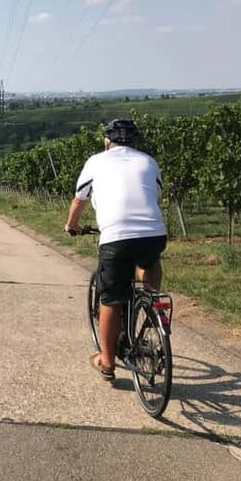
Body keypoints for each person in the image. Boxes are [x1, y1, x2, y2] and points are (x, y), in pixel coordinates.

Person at [64, 119, 167, 381]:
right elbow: (154, 194)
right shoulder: (148, 161)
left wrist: (71, 225)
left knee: (110, 299)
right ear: (134, 142)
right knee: (149, 261)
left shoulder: (96, 161)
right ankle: (152, 303)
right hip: (154, 233)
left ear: (106, 142)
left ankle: (107, 361)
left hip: (116, 237)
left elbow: (80, 198)